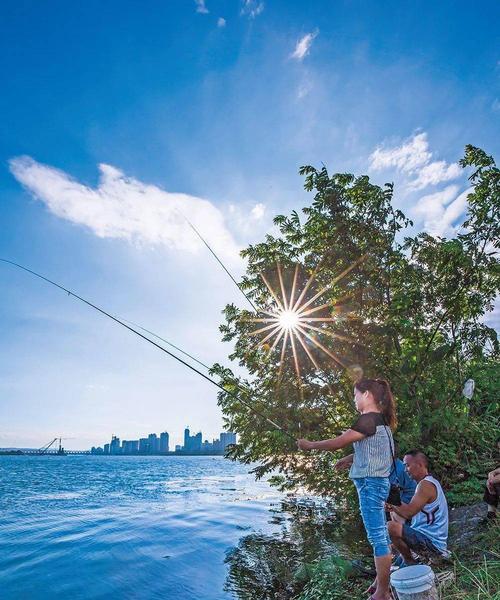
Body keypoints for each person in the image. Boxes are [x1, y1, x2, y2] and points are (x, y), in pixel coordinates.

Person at [298, 378, 396, 600]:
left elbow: (339, 441)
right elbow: (377, 453)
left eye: (355, 395)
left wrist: (310, 445)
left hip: (371, 485)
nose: (354, 399)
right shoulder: (380, 422)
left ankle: (383, 593)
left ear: (367, 395)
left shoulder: (367, 419)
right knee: (380, 533)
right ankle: (381, 582)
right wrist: (351, 458)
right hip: (375, 483)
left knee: (377, 537)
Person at [385, 450, 449, 566]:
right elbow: (405, 510)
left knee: (390, 527)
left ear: (419, 464)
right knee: (395, 559)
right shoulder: (425, 483)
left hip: (433, 546)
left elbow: (409, 512)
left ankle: (411, 563)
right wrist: (392, 506)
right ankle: (400, 564)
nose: (405, 470)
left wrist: (392, 503)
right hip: (425, 539)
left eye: (407, 466)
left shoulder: (425, 485)